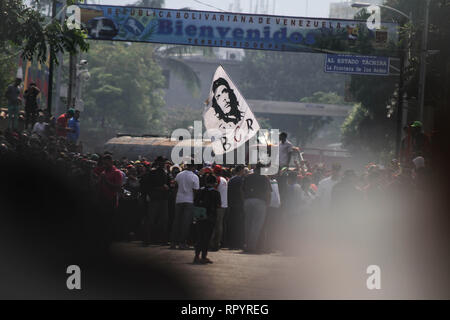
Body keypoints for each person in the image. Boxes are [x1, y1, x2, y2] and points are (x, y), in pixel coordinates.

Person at [242, 162, 272, 253]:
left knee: (248, 224)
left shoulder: (247, 176)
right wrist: (268, 203)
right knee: (256, 226)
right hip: (260, 202)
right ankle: (252, 246)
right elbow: (268, 192)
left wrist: (244, 200)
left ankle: (247, 245)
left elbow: (242, 189)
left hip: (248, 201)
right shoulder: (265, 178)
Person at [141, 156, 170, 246]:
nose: (164, 164)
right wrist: (160, 188)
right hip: (155, 198)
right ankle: (147, 240)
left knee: (163, 220)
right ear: (158, 163)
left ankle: (161, 240)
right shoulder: (152, 173)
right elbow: (146, 186)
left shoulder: (165, 173)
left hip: (163, 198)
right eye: (162, 162)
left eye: (164, 162)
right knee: (151, 219)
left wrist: (167, 187)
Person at [171, 161, 199, 249]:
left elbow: (175, 186)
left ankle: (173, 242)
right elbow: (195, 191)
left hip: (179, 200)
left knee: (177, 222)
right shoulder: (194, 176)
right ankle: (182, 243)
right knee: (185, 223)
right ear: (194, 166)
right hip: (189, 200)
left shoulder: (179, 175)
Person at [193, 174, 221, 264]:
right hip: (210, 217)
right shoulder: (216, 192)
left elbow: (195, 202)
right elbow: (218, 205)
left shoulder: (200, 191)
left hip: (200, 216)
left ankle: (196, 256)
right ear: (214, 183)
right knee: (207, 237)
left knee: (199, 236)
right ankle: (204, 256)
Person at [226, 165, 246, 249]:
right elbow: (241, 192)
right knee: (239, 225)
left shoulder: (231, 179)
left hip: (231, 204)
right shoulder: (240, 180)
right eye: (243, 170)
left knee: (232, 224)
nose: (244, 172)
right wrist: (243, 202)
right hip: (238, 204)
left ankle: (232, 243)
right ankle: (238, 244)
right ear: (240, 170)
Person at [209, 165, 228, 251]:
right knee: (219, 225)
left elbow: (213, 191)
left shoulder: (217, 179)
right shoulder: (224, 180)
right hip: (223, 204)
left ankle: (212, 243)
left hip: (217, 205)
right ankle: (217, 243)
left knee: (214, 225)